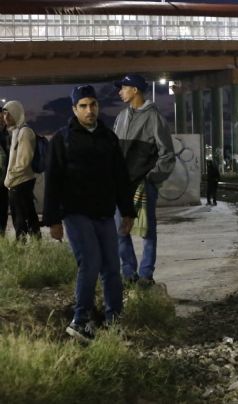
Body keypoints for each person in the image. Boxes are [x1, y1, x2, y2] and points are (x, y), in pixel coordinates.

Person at [44, 85, 135, 341]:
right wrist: (52, 220)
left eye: (93, 104)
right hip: (75, 213)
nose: (89, 110)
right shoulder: (63, 139)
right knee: (90, 262)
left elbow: (120, 177)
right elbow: (53, 180)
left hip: (104, 213)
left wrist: (127, 212)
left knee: (112, 268)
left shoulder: (108, 138)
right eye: (83, 106)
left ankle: (113, 320)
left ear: (98, 106)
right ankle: (80, 320)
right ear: (74, 109)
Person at [113, 74, 175, 285]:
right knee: (120, 230)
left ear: (135, 90)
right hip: (120, 185)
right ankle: (129, 274)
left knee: (148, 231)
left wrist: (151, 178)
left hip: (143, 184)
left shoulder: (154, 118)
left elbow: (167, 154)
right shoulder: (121, 116)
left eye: (123, 88)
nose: (120, 92)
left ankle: (146, 274)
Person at [2, 100, 41, 240]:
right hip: (17, 182)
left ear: (17, 114)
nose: (5, 118)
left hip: (20, 182)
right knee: (28, 216)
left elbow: (24, 162)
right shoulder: (16, 132)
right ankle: (36, 245)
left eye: (9, 114)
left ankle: (22, 247)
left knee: (21, 219)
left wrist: (9, 178)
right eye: (4, 114)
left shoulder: (25, 132)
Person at [0, 120, 9, 236]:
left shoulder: (7, 134)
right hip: (4, 178)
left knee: (3, 209)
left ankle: (1, 235)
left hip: (5, 180)